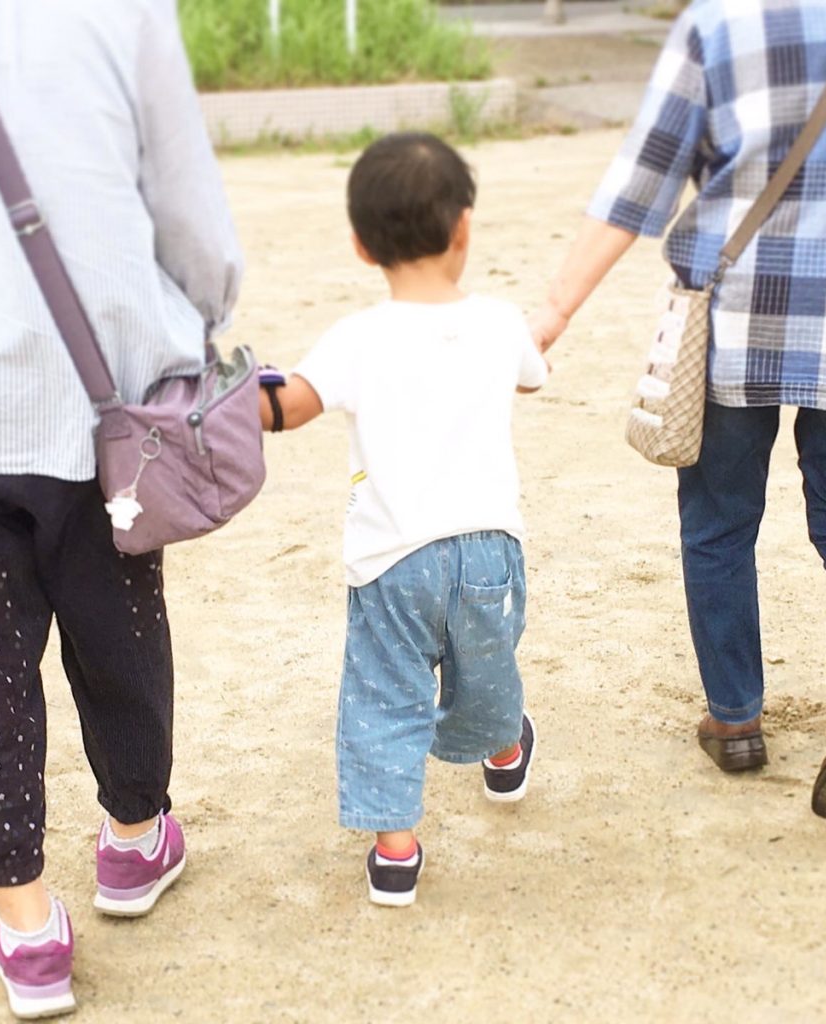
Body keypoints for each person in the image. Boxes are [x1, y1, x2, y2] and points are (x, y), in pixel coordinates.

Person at [0, 1, 241, 1017]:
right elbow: (186, 203)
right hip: (99, 397)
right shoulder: (123, 9)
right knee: (117, 621)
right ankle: (134, 841)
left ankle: (26, 928)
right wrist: (209, 315)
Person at [531, 0, 826, 823]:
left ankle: (736, 719)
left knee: (718, 520)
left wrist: (556, 311)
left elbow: (640, 184)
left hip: (737, 317)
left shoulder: (723, 22)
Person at [258, 132, 547, 906]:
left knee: (384, 691)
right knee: (488, 664)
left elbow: (288, 410)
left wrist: (234, 393)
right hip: (488, 547)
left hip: (392, 559)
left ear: (360, 245)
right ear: (464, 228)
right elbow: (531, 377)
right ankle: (506, 745)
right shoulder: (499, 321)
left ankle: (395, 851)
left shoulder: (356, 338)